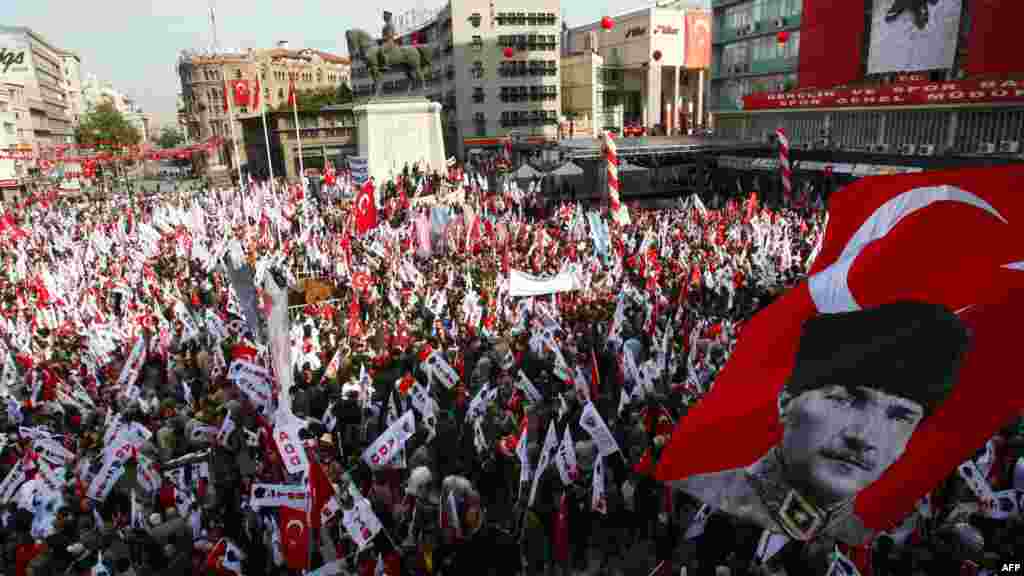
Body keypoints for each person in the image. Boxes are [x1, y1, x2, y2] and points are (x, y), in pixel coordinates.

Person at [670, 301, 970, 545]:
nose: (864, 436)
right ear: (785, 400)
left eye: (899, 417)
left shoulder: (874, 536)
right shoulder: (702, 493)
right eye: (844, 399)